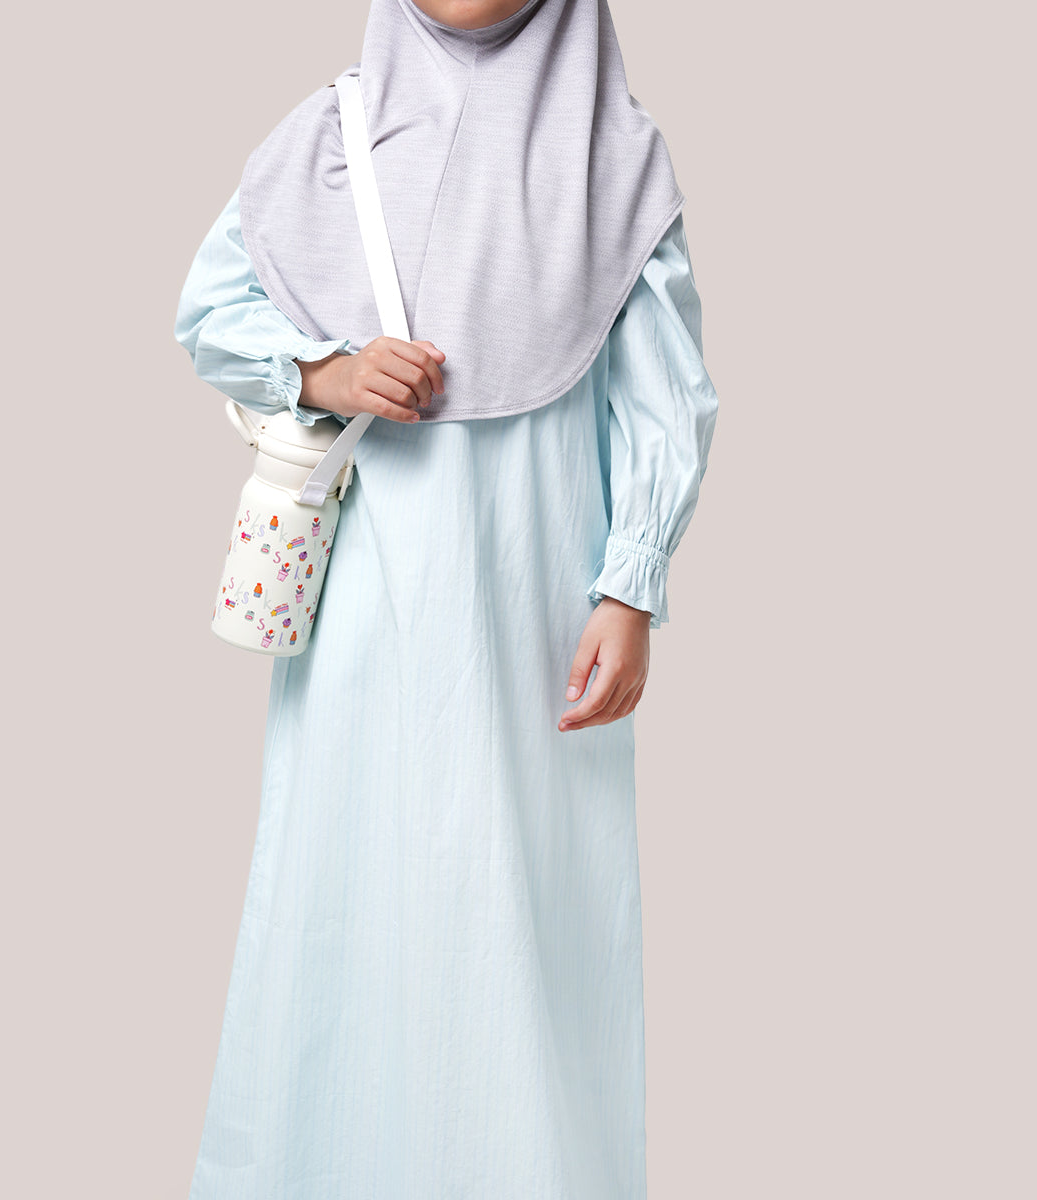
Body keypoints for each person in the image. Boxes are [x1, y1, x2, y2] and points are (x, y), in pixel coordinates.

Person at [173, 1, 719, 1195]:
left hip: (538, 611)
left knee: (522, 908)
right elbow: (210, 312)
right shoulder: (331, 136)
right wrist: (326, 369)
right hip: (365, 607)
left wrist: (630, 588)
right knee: (347, 891)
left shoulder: (613, 159)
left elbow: (666, 393)